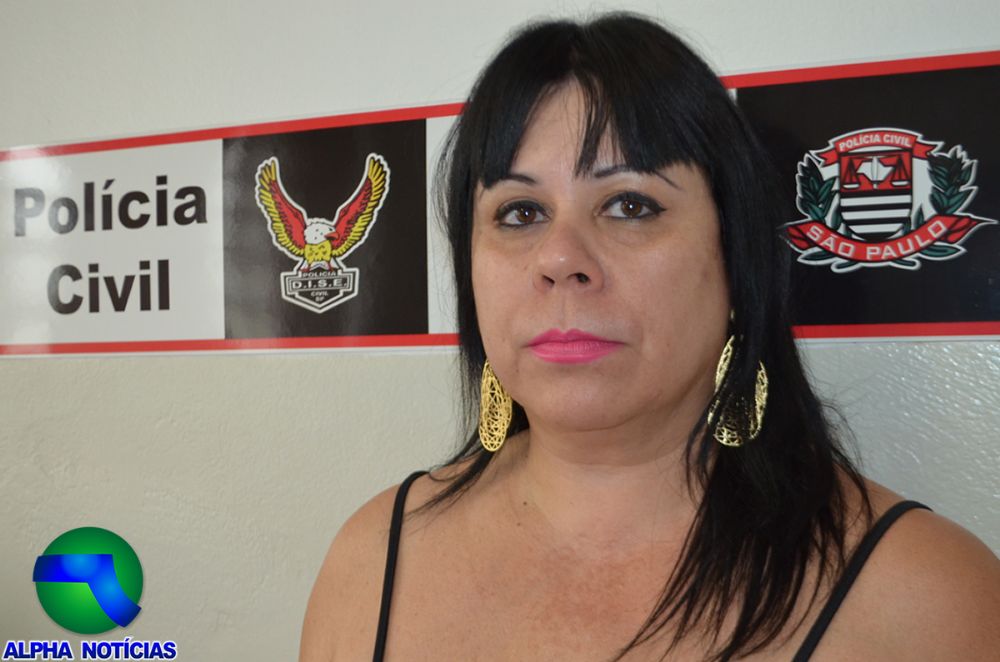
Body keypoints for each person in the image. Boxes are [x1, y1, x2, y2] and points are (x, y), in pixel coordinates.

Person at [300, 13, 1000, 662]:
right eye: (520, 213)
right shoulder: (372, 558)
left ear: (735, 262)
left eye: (630, 205)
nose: (559, 257)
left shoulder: (926, 599)